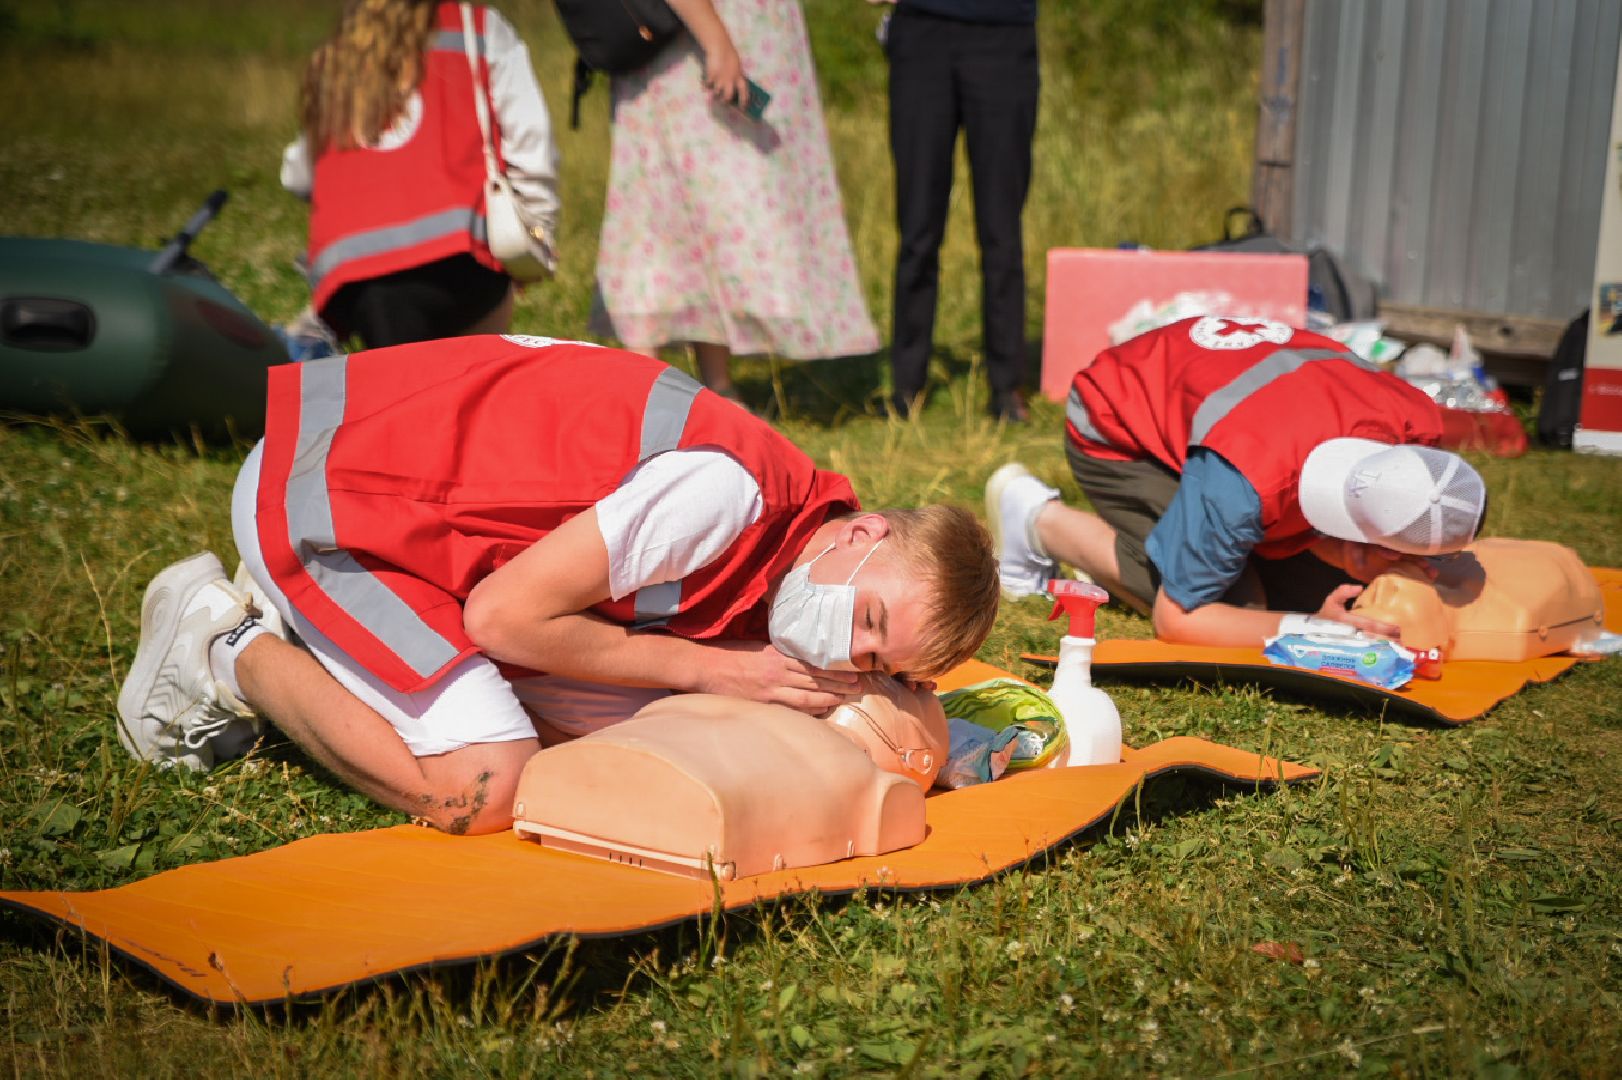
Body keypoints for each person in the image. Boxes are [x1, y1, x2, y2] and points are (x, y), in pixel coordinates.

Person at [115, 335, 997, 835]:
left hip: (424, 536)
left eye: (878, 657)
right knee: (488, 788)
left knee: (629, 731)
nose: (852, 652)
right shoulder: (726, 497)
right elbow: (503, 618)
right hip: (331, 507)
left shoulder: (792, 536)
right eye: (871, 616)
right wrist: (712, 672)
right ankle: (224, 643)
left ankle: (323, 646)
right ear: (865, 531)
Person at [986, 316, 1490, 647]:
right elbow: (1178, 620)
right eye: (1385, 555)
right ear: (1351, 542)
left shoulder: (1416, 426)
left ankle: (1161, 538)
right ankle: (1036, 518)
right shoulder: (1247, 483)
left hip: (1220, 413)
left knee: (1334, 593)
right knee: (1237, 607)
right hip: (1116, 419)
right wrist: (1312, 631)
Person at [589, 0, 879, 405]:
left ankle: (715, 385)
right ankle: (644, 394)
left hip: (715, 49)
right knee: (660, 216)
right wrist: (717, 42)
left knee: (706, 219)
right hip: (692, 53)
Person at [280, 0, 561, 348]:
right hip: (459, 264)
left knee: (397, 380)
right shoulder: (476, 28)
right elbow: (531, 143)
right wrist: (536, 236)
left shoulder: (339, 50)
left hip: (352, 282)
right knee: (464, 371)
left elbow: (297, 174)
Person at [873, 0, 1039, 421]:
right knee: (917, 228)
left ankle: (1006, 386)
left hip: (1003, 35)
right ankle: (907, 387)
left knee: (1001, 229)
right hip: (921, 34)